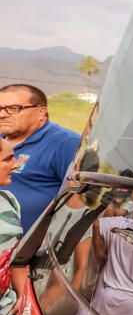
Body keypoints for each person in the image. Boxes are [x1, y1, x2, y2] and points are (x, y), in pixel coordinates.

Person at [0, 84, 80, 231]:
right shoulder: (1, 140)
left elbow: (80, 199)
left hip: (29, 248)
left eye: (14, 108)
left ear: (41, 111)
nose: (2, 115)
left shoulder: (65, 143)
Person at [0, 139, 26, 315]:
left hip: (5, 314)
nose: (16, 164)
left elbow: (17, 254)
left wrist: (22, 294)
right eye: (8, 159)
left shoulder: (9, 200)